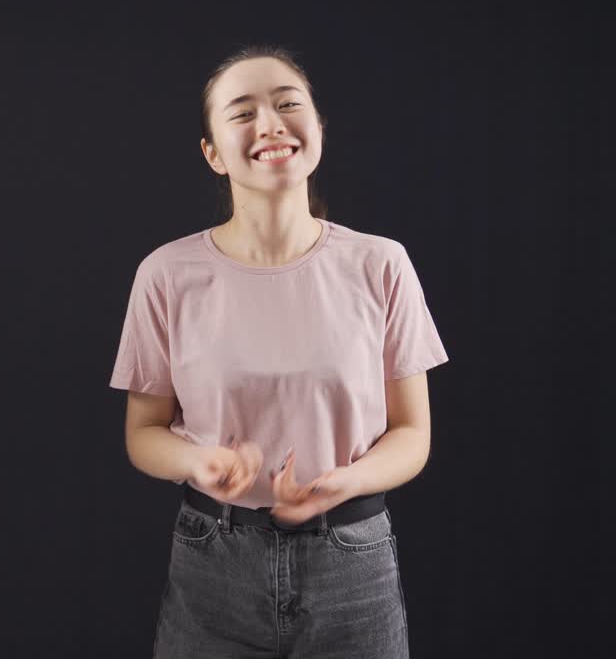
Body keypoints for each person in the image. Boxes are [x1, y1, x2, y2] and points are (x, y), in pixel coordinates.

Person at [111, 46, 448, 658]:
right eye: (242, 113)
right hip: (212, 559)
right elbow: (143, 433)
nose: (270, 124)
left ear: (316, 130)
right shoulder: (166, 274)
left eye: (288, 105)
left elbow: (412, 433)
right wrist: (199, 463)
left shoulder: (380, 263)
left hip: (352, 562)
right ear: (212, 152)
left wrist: (343, 482)